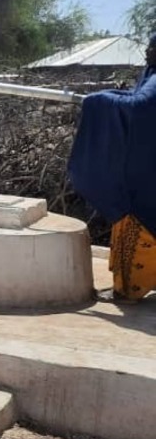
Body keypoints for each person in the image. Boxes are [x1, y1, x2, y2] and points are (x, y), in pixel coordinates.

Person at [68, 73, 156, 303]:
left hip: (146, 180)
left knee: (139, 228)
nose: (147, 53)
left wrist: (98, 100)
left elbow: (140, 107)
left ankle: (127, 290)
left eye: (152, 48)